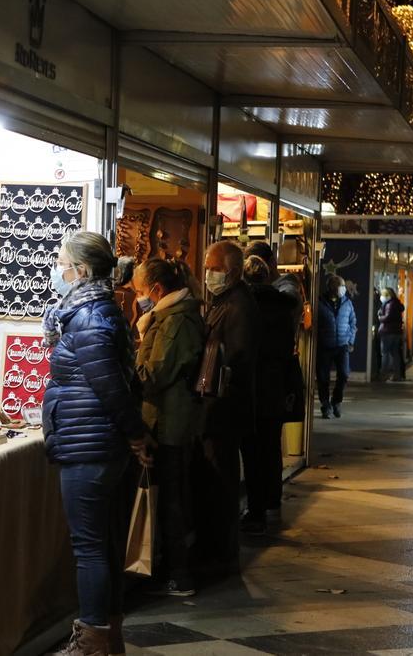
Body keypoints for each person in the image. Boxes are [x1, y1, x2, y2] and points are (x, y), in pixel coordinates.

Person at [42, 231, 147, 656]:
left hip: (91, 447)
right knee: (101, 544)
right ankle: (108, 638)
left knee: (90, 549)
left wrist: (137, 435)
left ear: (81, 271)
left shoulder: (88, 318)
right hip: (96, 443)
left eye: (62, 262)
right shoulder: (93, 312)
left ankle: (92, 643)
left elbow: (112, 389)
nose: (57, 270)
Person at [132, 258, 205, 596]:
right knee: (170, 497)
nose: (138, 298)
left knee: (172, 499)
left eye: (140, 292)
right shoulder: (168, 318)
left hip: (170, 424)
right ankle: (173, 567)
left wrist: (123, 371)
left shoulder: (176, 322)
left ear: (157, 290)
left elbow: (154, 373)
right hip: (165, 420)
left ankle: (180, 573)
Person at [192, 241, 258, 578]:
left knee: (221, 480)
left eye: (213, 267)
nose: (208, 273)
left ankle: (221, 553)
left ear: (231, 270)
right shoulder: (224, 301)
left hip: (223, 410)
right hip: (217, 409)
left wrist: (218, 398)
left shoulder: (238, 306)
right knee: (216, 480)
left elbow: (237, 359)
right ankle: (217, 549)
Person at [238, 252, 298, 535]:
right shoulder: (283, 308)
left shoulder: (246, 307)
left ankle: (256, 509)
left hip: (251, 387)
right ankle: (273, 503)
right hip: (274, 387)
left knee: (252, 451)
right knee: (271, 449)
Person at [315, 275, 357, 418]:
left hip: (342, 346)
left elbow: (353, 323)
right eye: (341, 285)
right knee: (323, 378)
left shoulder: (347, 303)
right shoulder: (319, 302)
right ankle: (325, 405)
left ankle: (336, 402)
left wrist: (351, 340)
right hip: (325, 346)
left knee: (344, 374)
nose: (343, 289)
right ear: (332, 287)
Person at [378, 288, 406, 381]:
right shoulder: (397, 303)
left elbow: (388, 317)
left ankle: (383, 375)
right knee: (395, 354)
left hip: (388, 331)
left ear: (387, 295)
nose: (381, 297)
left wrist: (380, 317)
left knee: (385, 353)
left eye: (382, 295)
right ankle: (397, 375)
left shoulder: (390, 304)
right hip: (396, 332)